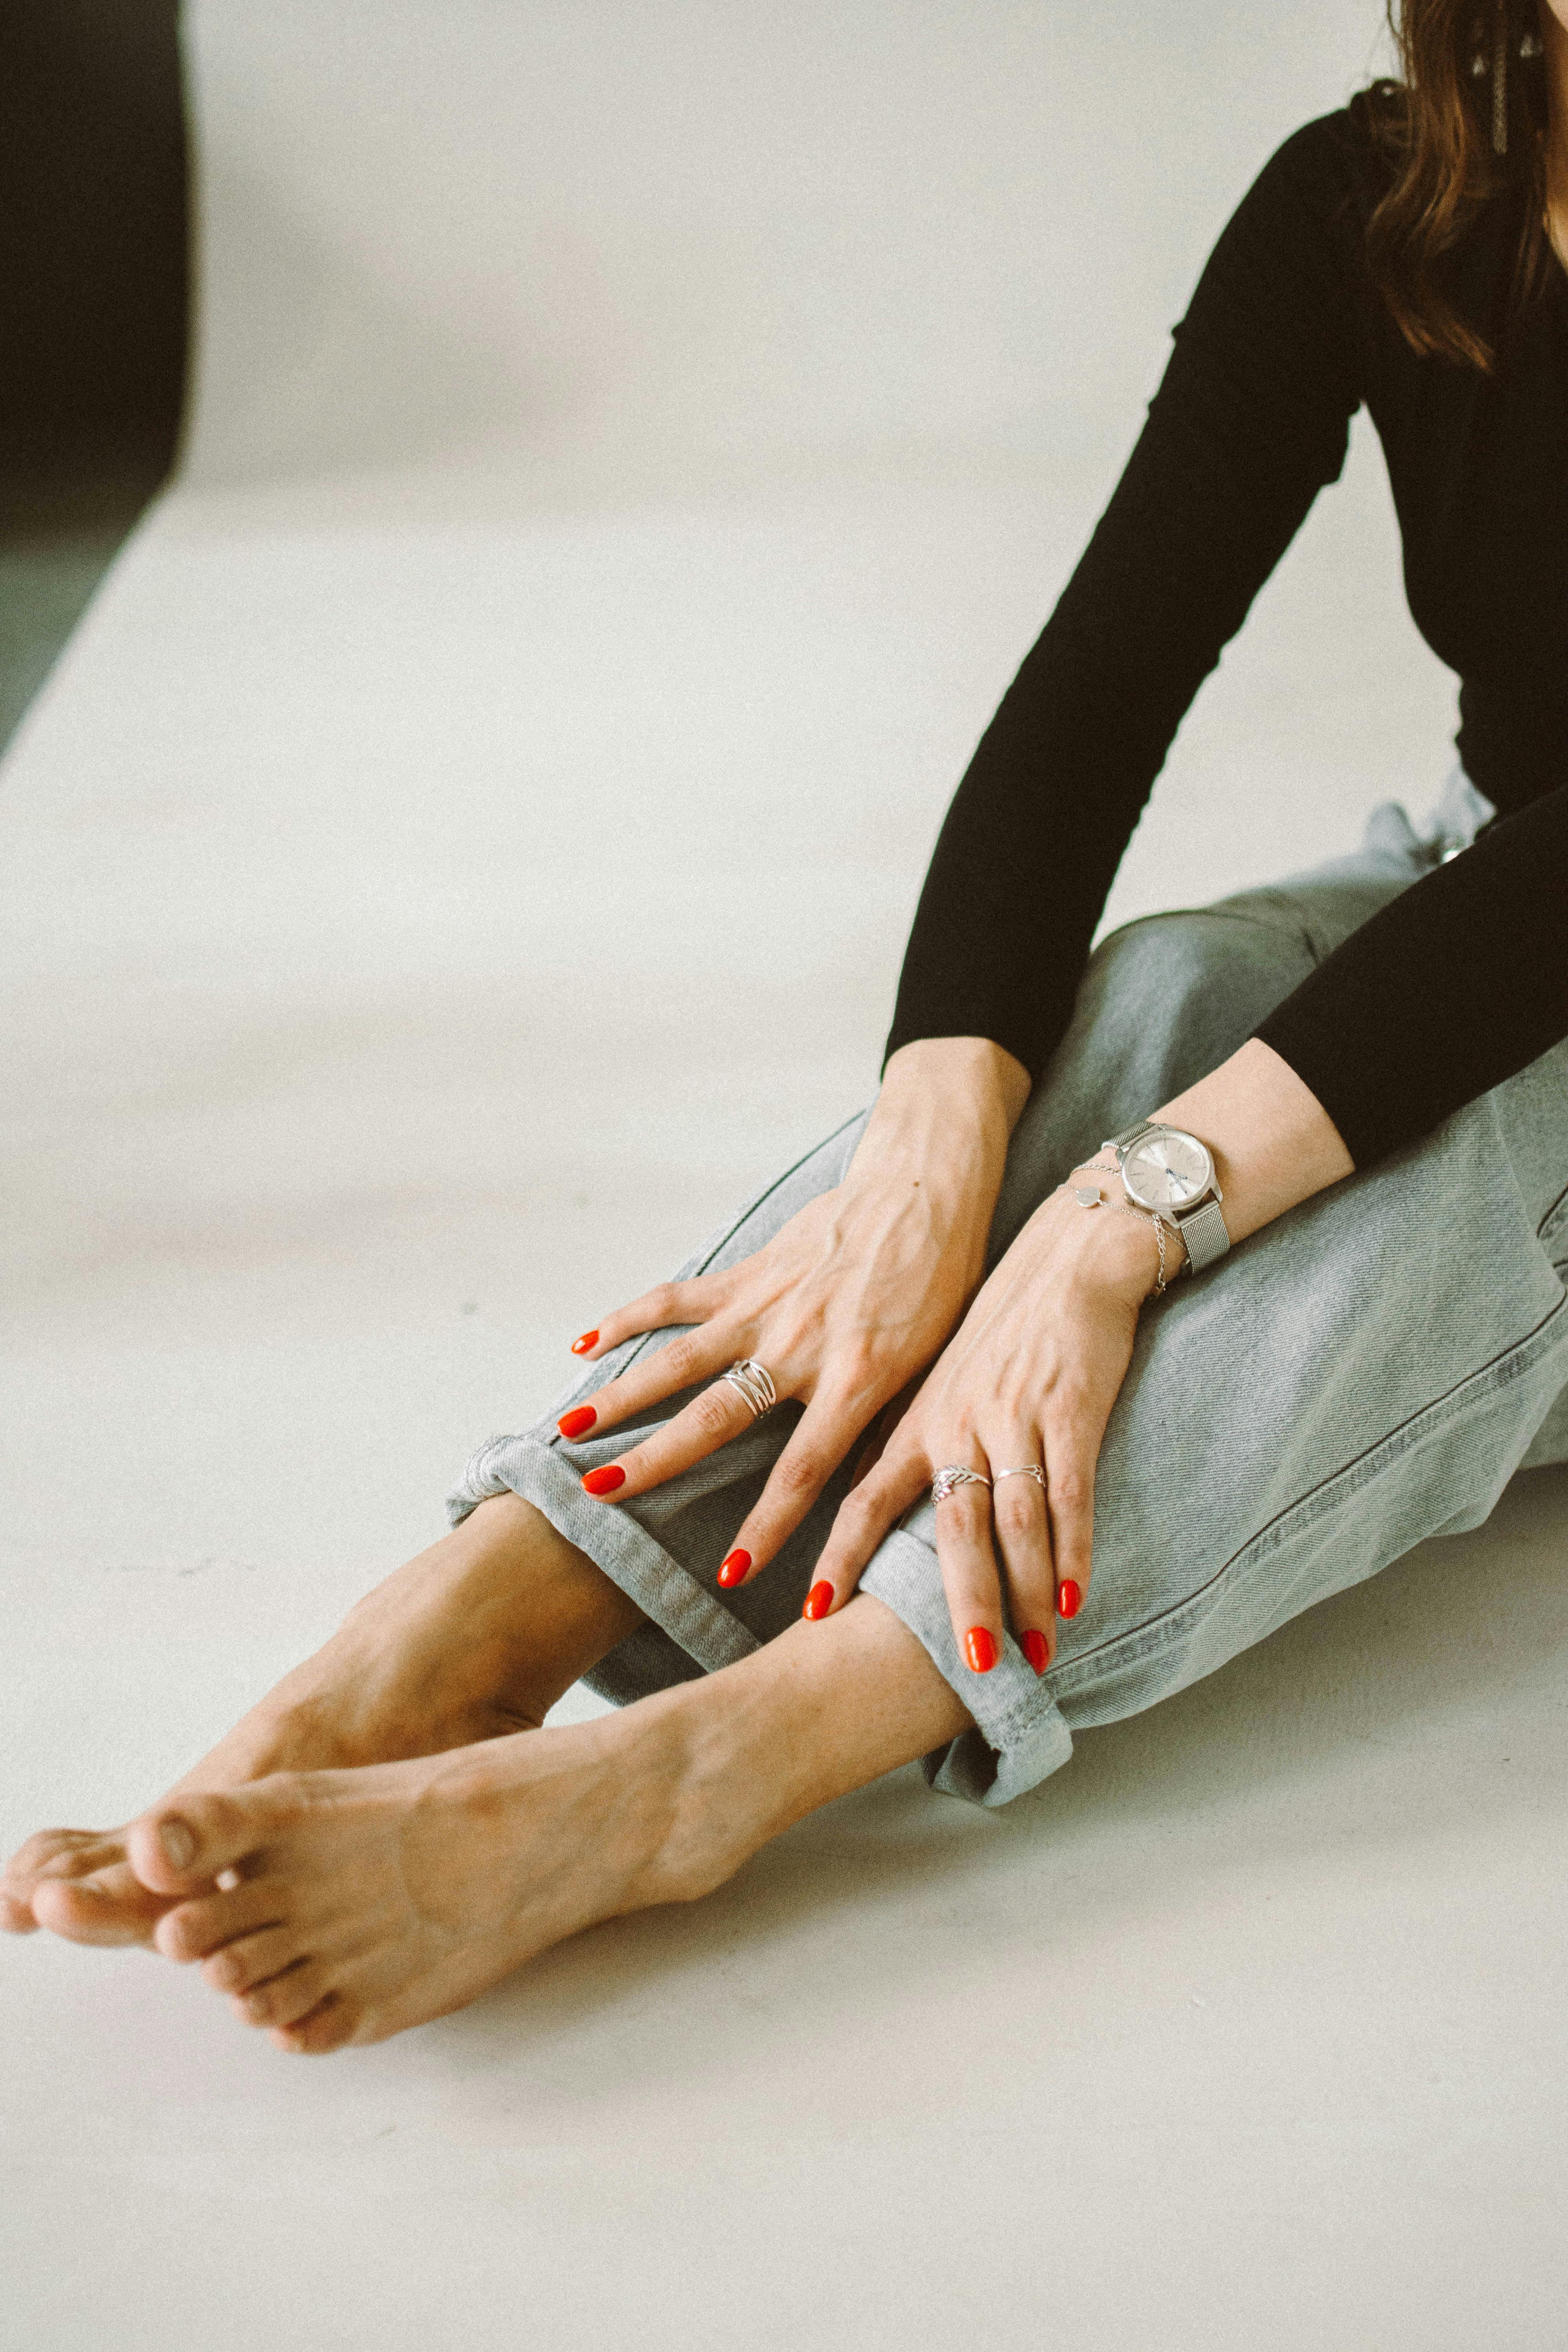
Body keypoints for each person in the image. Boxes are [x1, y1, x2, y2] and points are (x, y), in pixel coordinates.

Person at [6, 0, 1567, 2056]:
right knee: (1175, 1001)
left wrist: (1124, 1224)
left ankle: (713, 1764)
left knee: (1429, 1187)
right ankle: (521, 1589)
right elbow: (1099, 690)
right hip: (1493, 877)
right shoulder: (1388, 192)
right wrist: (942, 1156)